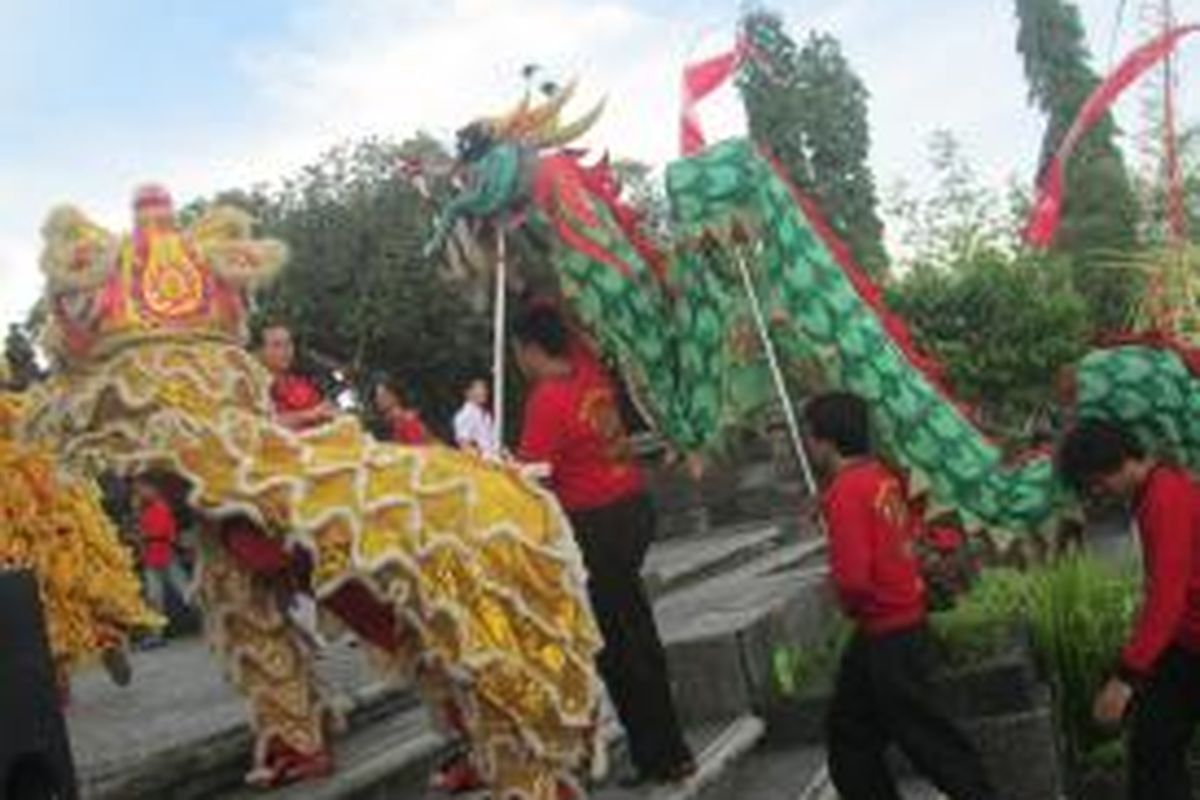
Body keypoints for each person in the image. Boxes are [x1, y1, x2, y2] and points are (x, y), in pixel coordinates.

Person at [512, 303, 695, 787]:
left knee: (619, 649)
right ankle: (670, 750)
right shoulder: (590, 371)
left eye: (518, 351)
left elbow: (532, 479)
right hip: (633, 509)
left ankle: (660, 756)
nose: (518, 361)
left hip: (596, 526)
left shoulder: (546, 399)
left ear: (530, 349)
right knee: (637, 635)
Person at [803, 391, 994, 800]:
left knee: (928, 742)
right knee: (850, 733)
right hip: (903, 622)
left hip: (886, 632)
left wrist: (849, 603)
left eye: (810, 436)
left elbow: (853, 580)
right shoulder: (879, 477)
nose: (808, 445)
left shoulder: (846, 492)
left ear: (826, 440)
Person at [1057, 420, 1200, 800]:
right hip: (1184, 640)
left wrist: (1127, 676)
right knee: (1153, 750)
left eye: (1094, 484)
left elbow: (1167, 596)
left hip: (1188, 636)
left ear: (1115, 464)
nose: (1094, 494)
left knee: (1156, 751)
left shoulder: (1165, 498)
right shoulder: (1153, 494)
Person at [133, 475, 191, 647]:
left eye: (142, 489)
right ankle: (156, 635)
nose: (139, 493)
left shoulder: (160, 507)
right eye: (138, 490)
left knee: (185, 591)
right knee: (154, 597)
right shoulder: (144, 510)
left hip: (165, 554)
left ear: (153, 490)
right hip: (151, 558)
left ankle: (213, 620)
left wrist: (143, 537)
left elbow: (165, 534)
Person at [259, 323, 337, 432]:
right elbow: (260, 423)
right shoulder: (253, 386)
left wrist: (328, 413)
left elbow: (321, 412)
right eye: (277, 345)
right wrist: (310, 415)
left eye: (289, 344)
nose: (286, 350)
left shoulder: (300, 384)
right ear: (260, 351)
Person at [373, 378, 432, 445]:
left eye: (383, 395)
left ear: (395, 396)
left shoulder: (407, 420)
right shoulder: (392, 420)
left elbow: (416, 447)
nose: (378, 400)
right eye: (377, 396)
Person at [453, 377, 499, 458]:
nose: (484, 392)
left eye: (485, 388)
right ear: (468, 392)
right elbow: (464, 444)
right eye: (479, 388)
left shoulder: (486, 415)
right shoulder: (465, 415)